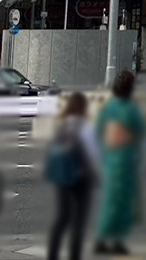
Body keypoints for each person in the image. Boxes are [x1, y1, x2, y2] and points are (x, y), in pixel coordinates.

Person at [95, 70, 146, 255]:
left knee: (111, 200)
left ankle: (103, 237)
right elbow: (141, 130)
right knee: (123, 202)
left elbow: (99, 131)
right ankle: (115, 239)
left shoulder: (109, 107)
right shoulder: (131, 109)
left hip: (110, 158)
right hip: (126, 158)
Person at [47, 92, 100, 260]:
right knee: (79, 222)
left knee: (62, 218)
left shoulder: (61, 127)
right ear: (84, 108)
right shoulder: (86, 128)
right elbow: (93, 155)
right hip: (82, 178)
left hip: (62, 176)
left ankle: (53, 255)